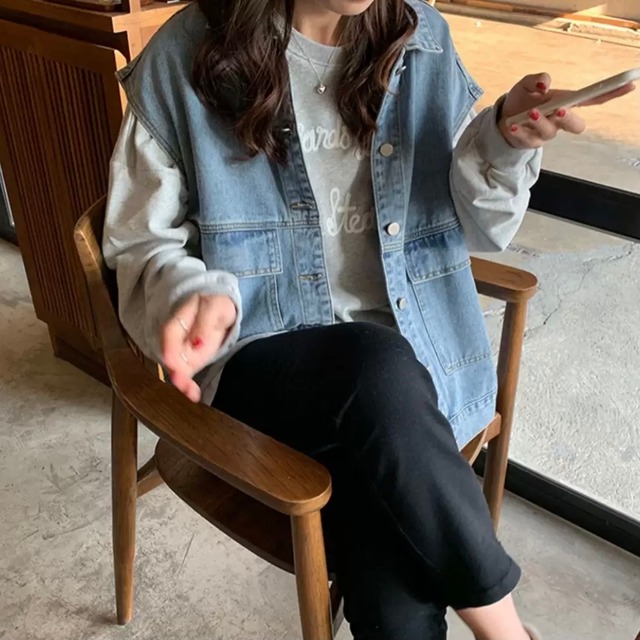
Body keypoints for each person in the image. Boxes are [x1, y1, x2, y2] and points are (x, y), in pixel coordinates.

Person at [102, 0, 634, 636]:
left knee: (388, 546)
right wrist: (188, 294)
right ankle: (508, 631)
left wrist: (502, 142)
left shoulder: (423, 40)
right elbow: (140, 242)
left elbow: (480, 230)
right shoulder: (189, 50)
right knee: (374, 365)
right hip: (264, 362)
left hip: (402, 400)